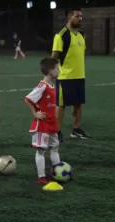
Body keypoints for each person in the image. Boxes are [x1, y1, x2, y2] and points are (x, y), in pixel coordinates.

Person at [52, 8, 90, 142]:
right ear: (69, 17)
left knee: (78, 104)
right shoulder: (61, 35)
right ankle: (56, 132)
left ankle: (76, 130)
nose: (80, 19)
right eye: (77, 16)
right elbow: (55, 56)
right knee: (61, 105)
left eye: (81, 16)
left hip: (79, 76)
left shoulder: (81, 35)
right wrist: (53, 72)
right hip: (65, 77)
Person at [24, 58, 61, 185]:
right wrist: (36, 113)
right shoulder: (42, 86)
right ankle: (41, 176)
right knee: (41, 150)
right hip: (43, 125)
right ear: (51, 71)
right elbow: (28, 99)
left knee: (55, 147)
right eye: (57, 68)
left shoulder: (52, 85)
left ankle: (58, 171)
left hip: (51, 123)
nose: (59, 70)